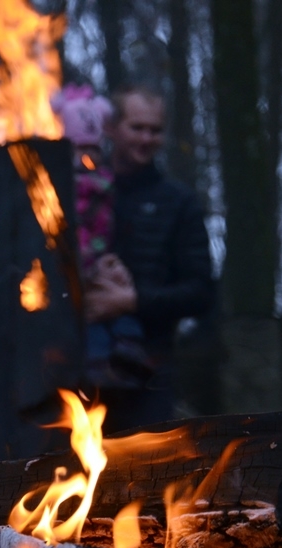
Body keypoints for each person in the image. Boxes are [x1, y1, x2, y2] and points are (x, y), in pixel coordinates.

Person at [84, 84, 214, 433]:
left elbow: (201, 292)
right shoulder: (84, 193)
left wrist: (132, 301)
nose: (146, 138)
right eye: (136, 128)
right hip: (79, 370)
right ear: (112, 128)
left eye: (154, 130)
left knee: (145, 480)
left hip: (150, 374)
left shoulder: (179, 203)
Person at [52, 84, 153, 389]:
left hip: (102, 261)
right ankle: (98, 364)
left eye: (93, 151)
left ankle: (129, 347)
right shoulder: (63, 185)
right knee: (91, 315)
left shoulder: (109, 183)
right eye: (80, 151)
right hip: (77, 267)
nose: (87, 158)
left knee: (116, 308)